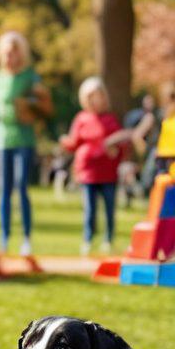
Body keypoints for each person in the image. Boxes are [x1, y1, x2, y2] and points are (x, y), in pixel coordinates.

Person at [0, 31, 52, 256]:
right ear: (0, 54)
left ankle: (26, 239)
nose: (10, 57)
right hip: (2, 138)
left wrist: (30, 104)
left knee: (21, 187)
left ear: (21, 54)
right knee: (4, 190)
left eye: (14, 52)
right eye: (6, 53)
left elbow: (44, 104)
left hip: (24, 138)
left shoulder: (30, 76)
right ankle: (4, 238)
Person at [61, 76, 123, 255]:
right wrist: (66, 142)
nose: (95, 101)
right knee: (90, 208)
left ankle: (108, 239)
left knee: (109, 207)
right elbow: (74, 142)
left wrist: (115, 150)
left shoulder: (110, 120)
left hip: (107, 172)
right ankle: (87, 239)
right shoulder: (81, 119)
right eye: (90, 97)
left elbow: (120, 144)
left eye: (98, 96)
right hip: (88, 171)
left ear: (104, 97)